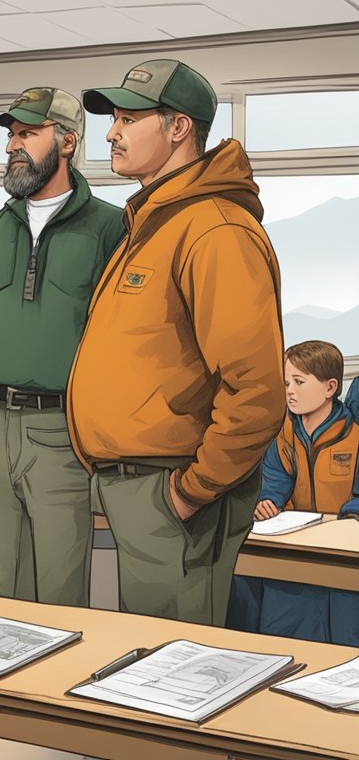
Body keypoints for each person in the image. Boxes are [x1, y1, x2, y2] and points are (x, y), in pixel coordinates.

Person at [0, 89, 124, 759]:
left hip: (62, 430)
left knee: (60, 588)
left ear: (67, 142)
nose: (13, 144)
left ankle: (53, 730)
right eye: (10, 134)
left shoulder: (110, 227)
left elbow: (121, 341)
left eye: (28, 134)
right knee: (0, 583)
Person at [70, 59, 285, 627]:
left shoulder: (214, 229)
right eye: (112, 120)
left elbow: (257, 389)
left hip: (176, 491)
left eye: (128, 118)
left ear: (178, 128)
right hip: (142, 487)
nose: (112, 133)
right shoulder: (154, 223)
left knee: (174, 674)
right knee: (150, 664)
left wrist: (191, 491)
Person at [228, 341, 359, 646]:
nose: (290, 391)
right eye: (286, 382)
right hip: (294, 544)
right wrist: (266, 503)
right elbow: (274, 482)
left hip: (342, 549)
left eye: (299, 382)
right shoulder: (285, 435)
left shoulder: (353, 436)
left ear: (330, 388)